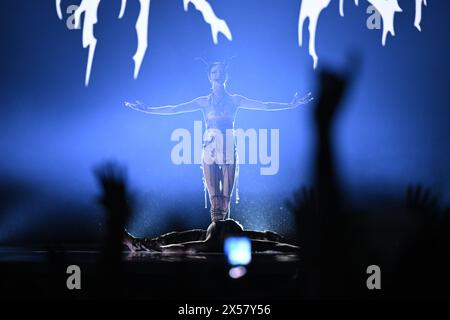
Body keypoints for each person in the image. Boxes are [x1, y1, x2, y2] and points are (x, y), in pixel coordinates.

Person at [125, 61, 313, 222]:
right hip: (210, 146)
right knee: (214, 197)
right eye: (214, 71)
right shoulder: (204, 101)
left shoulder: (235, 100)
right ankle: (215, 232)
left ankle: (225, 234)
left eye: (221, 71)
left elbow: (264, 105)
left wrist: (290, 104)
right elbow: (175, 109)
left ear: (226, 76)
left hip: (229, 145)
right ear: (209, 76)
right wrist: (147, 109)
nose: (218, 74)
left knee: (226, 197)